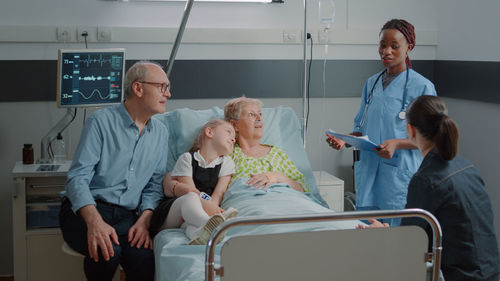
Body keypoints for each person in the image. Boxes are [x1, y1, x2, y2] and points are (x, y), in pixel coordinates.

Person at [358, 95, 500, 281]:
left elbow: (406, 247)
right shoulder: (466, 167)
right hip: (491, 272)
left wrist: (384, 235)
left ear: (410, 130)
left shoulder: (426, 180)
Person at [59, 61, 171, 281]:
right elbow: (77, 178)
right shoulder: (100, 122)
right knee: (107, 253)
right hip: (85, 211)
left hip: (128, 217)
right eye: (162, 87)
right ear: (138, 88)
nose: (168, 93)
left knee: (144, 259)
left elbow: (154, 184)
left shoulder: (160, 132)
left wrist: (144, 220)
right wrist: (94, 222)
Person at [326, 19, 436, 224]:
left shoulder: (422, 87)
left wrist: (396, 143)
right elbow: (361, 128)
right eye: (382, 45)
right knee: (367, 232)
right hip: (369, 172)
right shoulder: (372, 83)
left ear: (409, 48)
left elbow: (430, 137)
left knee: (395, 236)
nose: (386, 51)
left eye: (394, 46)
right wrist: (345, 140)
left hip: (399, 174)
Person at [149, 119, 239, 245]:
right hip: (173, 212)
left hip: (193, 215)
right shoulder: (187, 158)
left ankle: (200, 236)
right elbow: (189, 190)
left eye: (234, 137)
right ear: (209, 132)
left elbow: (218, 194)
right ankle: (215, 226)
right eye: (228, 132)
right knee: (191, 197)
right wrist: (212, 213)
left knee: (193, 226)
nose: (233, 139)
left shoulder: (227, 162)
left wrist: (212, 208)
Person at [224, 96, 308, 192]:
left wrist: (276, 177)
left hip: (287, 201)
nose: (259, 118)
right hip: (249, 203)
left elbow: (303, 189)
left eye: (260, 114)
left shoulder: (277, 154)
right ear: (235, 125)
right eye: (251, 114)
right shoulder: (229, 154)